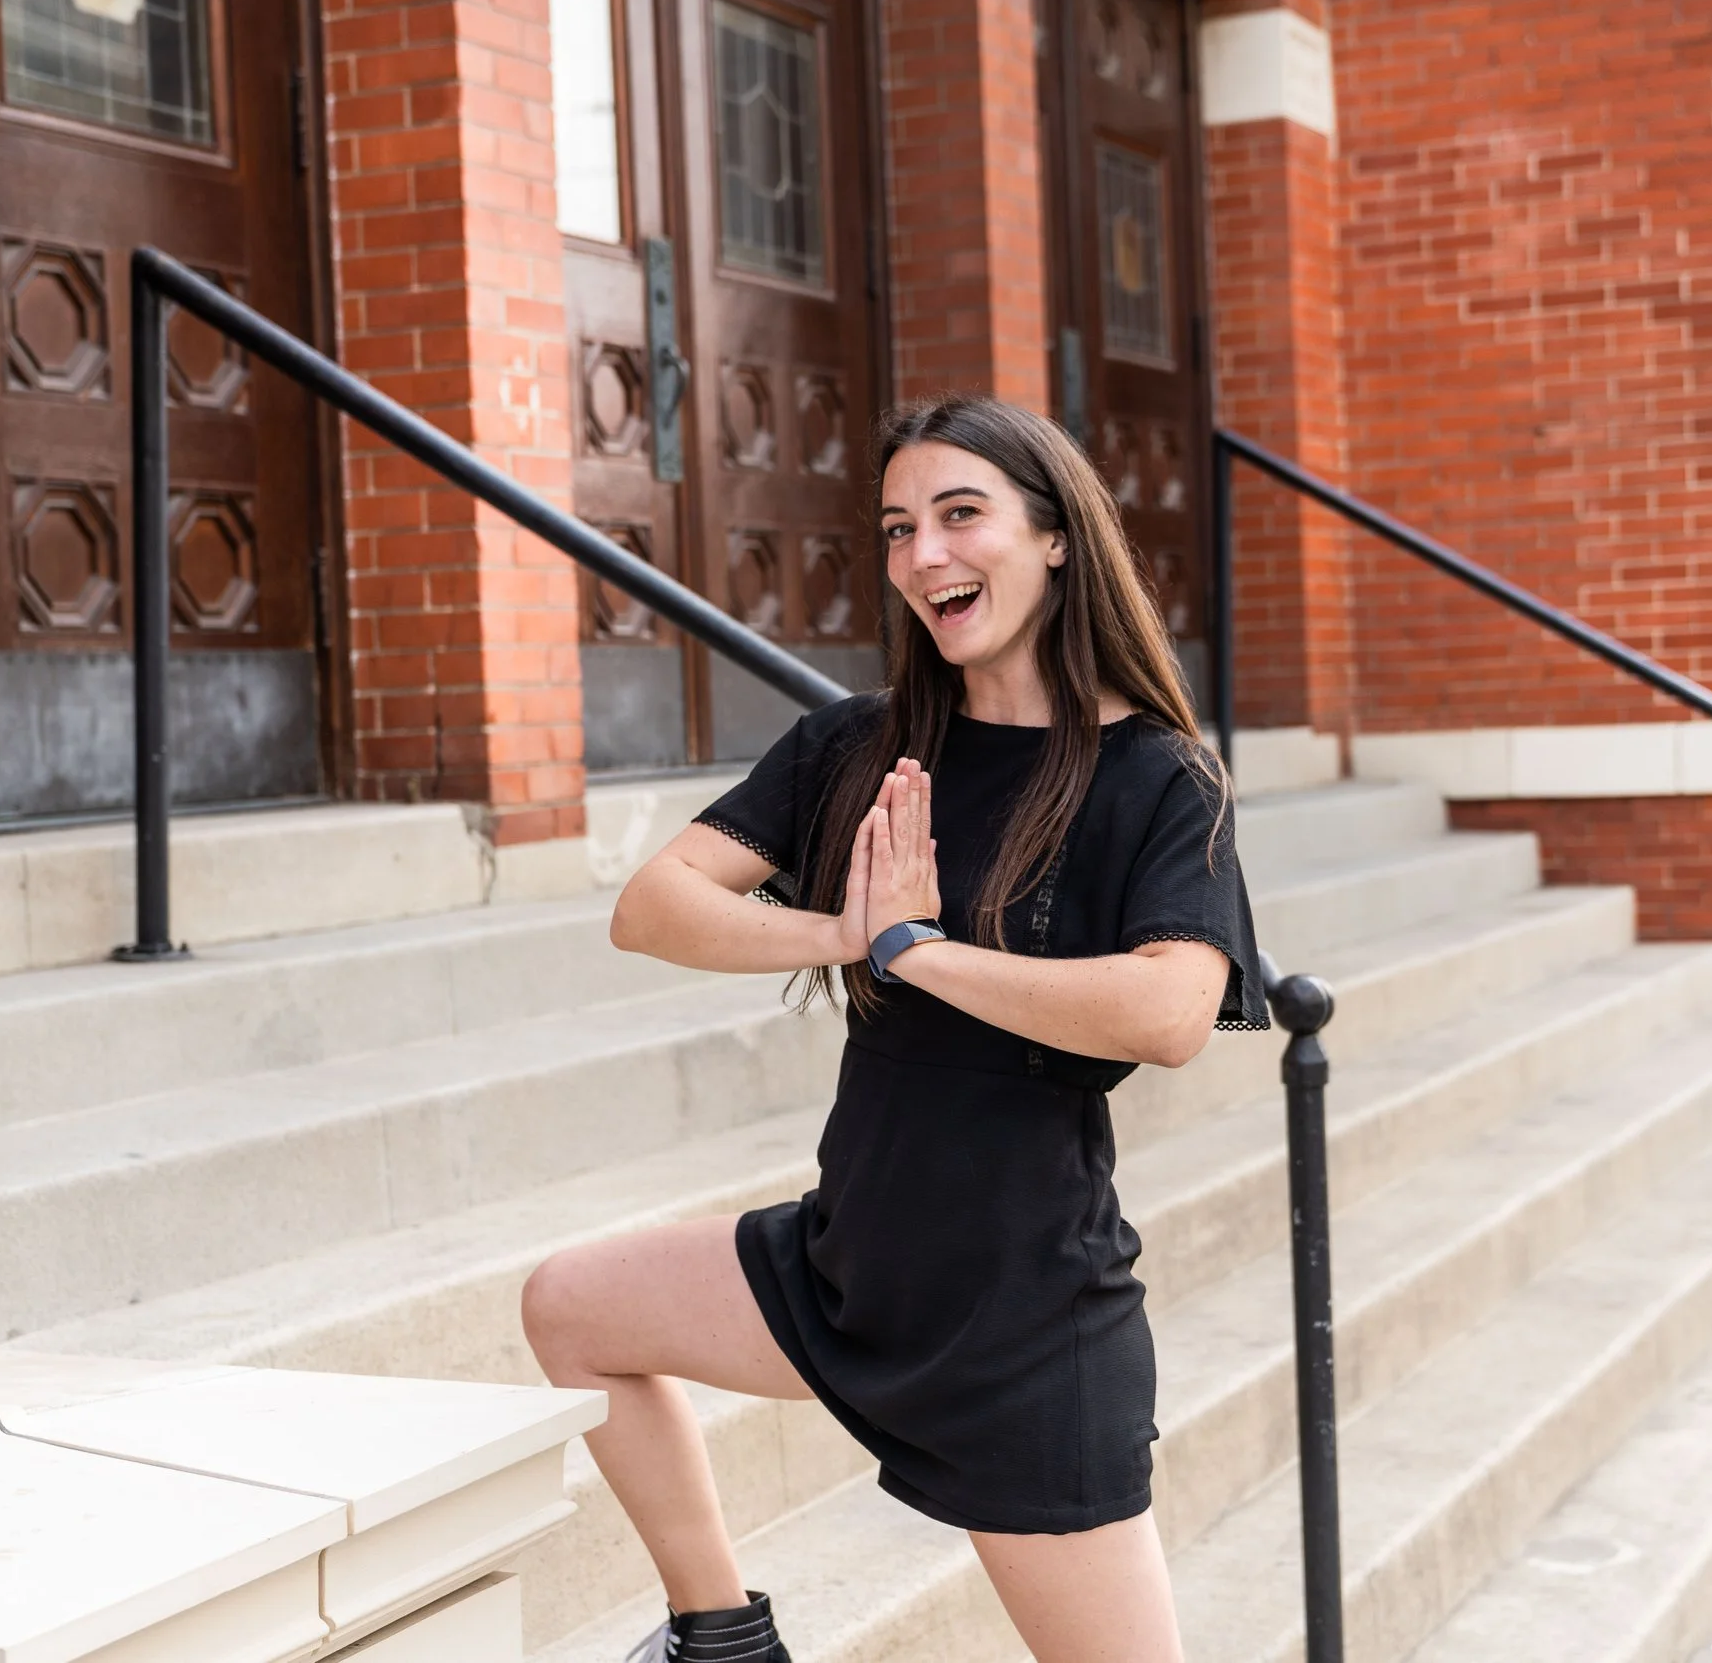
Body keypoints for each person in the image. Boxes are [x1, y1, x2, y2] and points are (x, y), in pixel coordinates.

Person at [523, 395, 1266, 1663]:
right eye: (897, 527)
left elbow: (1170, 1009)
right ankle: (721, 1639)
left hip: (1026, 1324)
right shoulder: (859, 747)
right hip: (851, 1265)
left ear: (1054, 540)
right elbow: (653, 909)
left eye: (961, 514)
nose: (925, 554)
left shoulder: (1154, 777)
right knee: (571, 1307)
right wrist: (848, 932)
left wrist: (922, 952)